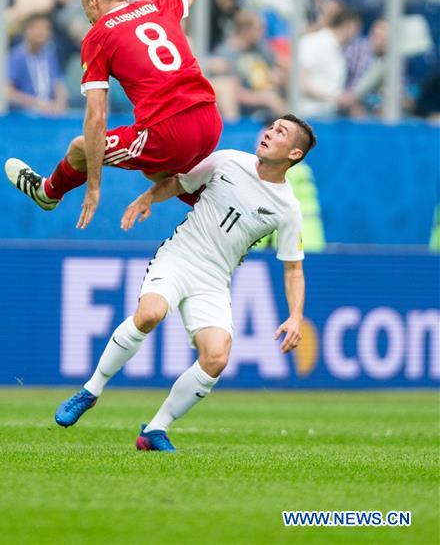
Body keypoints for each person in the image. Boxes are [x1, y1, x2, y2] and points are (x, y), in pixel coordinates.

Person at [53, 114, 315, 451]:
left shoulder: (288, 208)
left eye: (281, 132)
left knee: (216, 357)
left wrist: (295, 317)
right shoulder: (229, 160)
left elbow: (293, 269)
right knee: (150, 314)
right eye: (272, 126)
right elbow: (179, 183)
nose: (269, 132)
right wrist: (148, 197)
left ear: (294, 154)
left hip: (215, 280)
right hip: (179, 257)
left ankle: (154, 430)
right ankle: (90, 391)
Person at [5, 0, 247, 229]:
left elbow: (96, 117)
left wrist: (93, 185)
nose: (88, 17)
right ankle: (228, 218)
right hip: (209, 119)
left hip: (169, 130)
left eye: (86, 8)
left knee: (80, 148)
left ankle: (48, 193)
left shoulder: (99, 35)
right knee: (157, 170)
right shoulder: (159, 3)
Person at [298, 5, 361, 117]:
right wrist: (337, 97)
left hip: (329, 115)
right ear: (349, 25)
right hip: (310, 114)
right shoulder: (312, 42)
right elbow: (303, 83)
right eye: (356, 29)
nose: (356, 34)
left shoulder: (338, 50)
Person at [6, 14, 68, 115]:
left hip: (49, 114)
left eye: (46, 28)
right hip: (23, 115)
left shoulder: (50, 55)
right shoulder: (16, 56)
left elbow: (58, 86)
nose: (42, 32)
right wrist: (37, 104)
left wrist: (60, 103)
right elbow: (8, 92)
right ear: (27, 30)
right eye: (37, 28)